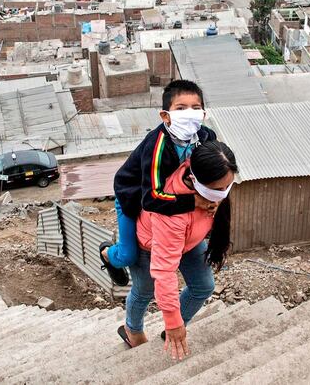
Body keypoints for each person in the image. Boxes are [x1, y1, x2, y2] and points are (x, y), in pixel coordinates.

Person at [120, 141, 237, 361]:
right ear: (195, 180)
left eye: (227, 187)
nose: (223, 194)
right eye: (217, 189)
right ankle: (132, 329)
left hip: (188, 242)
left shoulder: (211, 188)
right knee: (144, 291)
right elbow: (164, 271)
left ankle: (171, 332)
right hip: (151, 245)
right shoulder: (171, 213)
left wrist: (176, 323)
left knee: (203, 286)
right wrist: (173, 322)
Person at [99, 80, 216, 286]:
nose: (189, 113)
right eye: (181, 108)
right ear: (165, 116)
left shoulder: (206, 138)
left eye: (195, 108)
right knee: (128, 255)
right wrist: (194, 202)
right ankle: (108, 254)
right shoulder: (158, 146)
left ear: (203, 114)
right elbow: (151, 199)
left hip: (169, 193)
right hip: (133, 196)